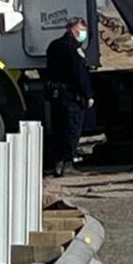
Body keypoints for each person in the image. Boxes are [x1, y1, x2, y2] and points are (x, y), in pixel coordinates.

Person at [45, 17, 94, 177]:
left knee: (58, 129)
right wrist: (88, 95)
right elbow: (80, 74)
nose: (83, 34)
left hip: (56, 94)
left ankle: (57, 163)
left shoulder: (53, 46)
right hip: (71, 95)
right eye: (81, 30)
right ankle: (67, 164)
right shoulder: (73, 48)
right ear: (72, 29)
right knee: (71, 129)